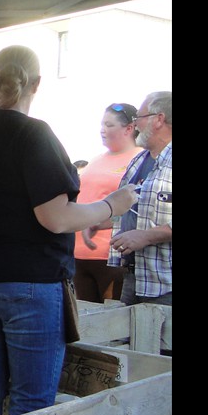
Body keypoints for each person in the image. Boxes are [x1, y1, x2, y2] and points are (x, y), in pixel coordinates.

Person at [0, 46, 136, 415]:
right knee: (30, 405)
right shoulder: (34, 134)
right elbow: (55, 218)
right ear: (36, 85)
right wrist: (111, 206)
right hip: (29, 280)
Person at [90, 91, 172, 306]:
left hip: (166, 284)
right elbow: (135, 210)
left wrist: (147, 236)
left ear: (159, 119)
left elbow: (145, 230)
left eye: (139, 118)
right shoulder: (139, 160)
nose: (135, 125)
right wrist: (100, 222)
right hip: (135, 278)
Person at [73, 103, 143, 302]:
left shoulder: (139, 159)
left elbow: (138, 207)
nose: (102, 130)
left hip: (112, 255)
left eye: (109, 125)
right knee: (85, 320)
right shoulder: (95, 160)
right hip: (79, 254)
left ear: (129, 128)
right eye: (102, 124)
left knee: (110, 320)